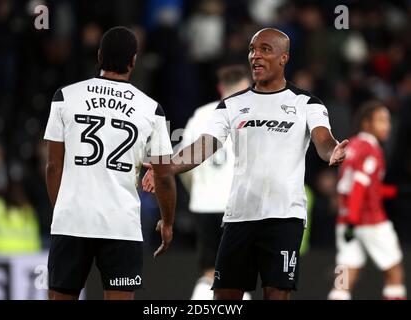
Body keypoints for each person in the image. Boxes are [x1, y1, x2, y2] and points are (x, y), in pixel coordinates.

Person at [142, 28, 348, 300]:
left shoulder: (307, 103)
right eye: (252, 49)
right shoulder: (231, 105)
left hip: (284, 216)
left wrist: (333, 150)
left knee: (276, 293)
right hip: (240, 216)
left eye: (265, 49)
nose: (256, 56)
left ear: (284, 57)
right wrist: (165, 167)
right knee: (224, 297)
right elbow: (204, 146)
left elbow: (323, 140)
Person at [44, 26, 176, 300]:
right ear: (134, 61)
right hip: (120, 223)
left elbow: (53, 166)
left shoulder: (65, 96)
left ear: (99, 56)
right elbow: (163, 177)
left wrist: (62, 211)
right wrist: (167, 222)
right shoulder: (151, 109)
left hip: (72, 219)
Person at [180, 65, 251, 300]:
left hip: (205, 204)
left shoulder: (200, 115)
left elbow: (183, 162)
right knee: (238, 274)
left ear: (221, 87)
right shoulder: (251, 114)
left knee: (210, 272)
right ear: (248, 87)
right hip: (239, 207)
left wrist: (197, 191)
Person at [328, 101, 407, 300]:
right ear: (366, 123)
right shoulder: (371, 149)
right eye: (381, 120)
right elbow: (359, 186)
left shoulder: (352, 146)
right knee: (394, 271)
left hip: (345, 221)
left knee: (345, 271)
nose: (387, 125)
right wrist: (355, 220)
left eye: (388, 121)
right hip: (370, 221)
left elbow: (366, 187)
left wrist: (398, 192)